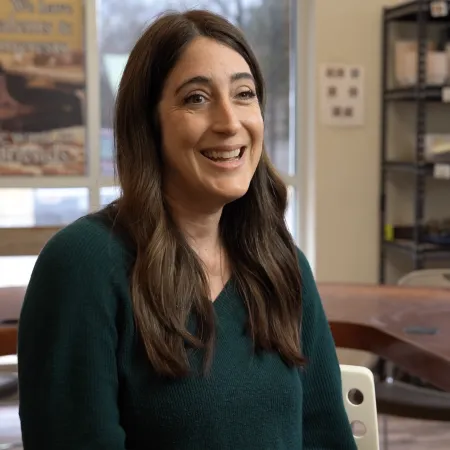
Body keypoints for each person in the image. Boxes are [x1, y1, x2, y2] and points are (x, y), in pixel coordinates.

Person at [17, 9, 357, 450]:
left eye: (244, 94)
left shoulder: (281, 264)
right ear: (149, 123)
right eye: (196, 98)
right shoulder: (83, 265)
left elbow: (327, 436)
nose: (229, 122)